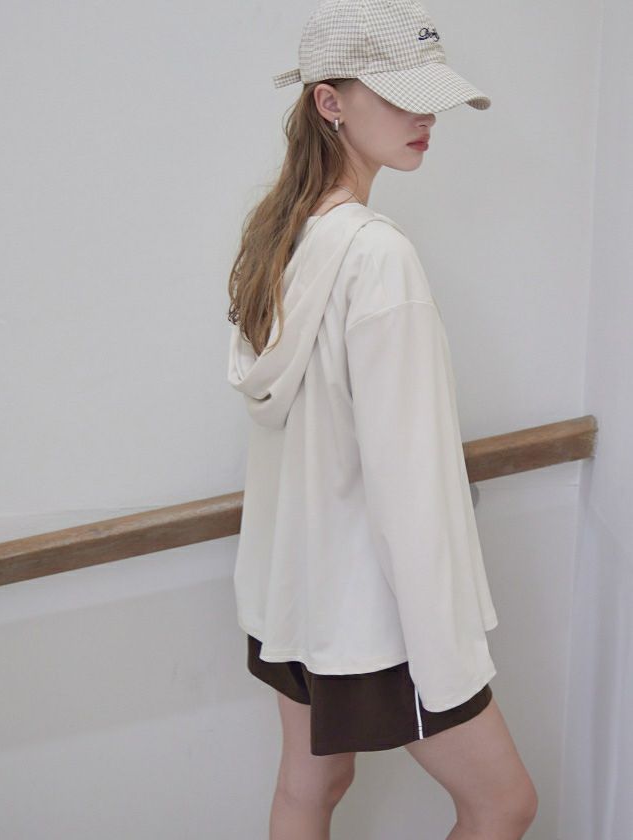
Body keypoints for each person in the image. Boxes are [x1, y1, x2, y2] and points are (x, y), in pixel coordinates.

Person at [226, 2, 538, 838]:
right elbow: (409, 483)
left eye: (431, 98)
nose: (426, 118)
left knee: (310, 787)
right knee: (503, 803)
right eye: (402, 97)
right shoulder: (378, 258)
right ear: (329, 103)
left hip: (293, 597)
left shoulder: (280, 240)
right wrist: (447, 652)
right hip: (375, 613)